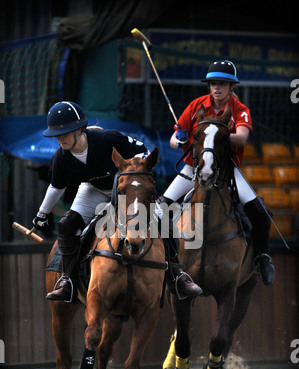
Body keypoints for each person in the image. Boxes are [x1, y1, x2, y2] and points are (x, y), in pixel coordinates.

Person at [33, 101, 202, 302]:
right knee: (66, 225)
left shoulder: (107, 139)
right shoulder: (60, 157)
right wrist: (42, 214)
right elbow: (56, 188)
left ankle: (177, 275)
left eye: (65, 132)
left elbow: (143, 152)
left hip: (126, 190)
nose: (60, 138)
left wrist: (130, 173)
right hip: (93, 190)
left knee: (163, 221)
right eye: (56, 135)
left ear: (79, 130)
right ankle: (67, 281)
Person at [159, 60, 275, 285]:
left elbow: (241, 138)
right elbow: (174, 138)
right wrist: (179, 140)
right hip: (193, 169)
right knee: (159, 209)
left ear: (232, 87)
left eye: (222, 83)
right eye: (213, 83)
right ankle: (165, 259)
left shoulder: (240, 110)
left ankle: (263, 257)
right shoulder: (196, 106)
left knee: (260, 213)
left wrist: (213, 135)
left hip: (226, 171)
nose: (217, 88)